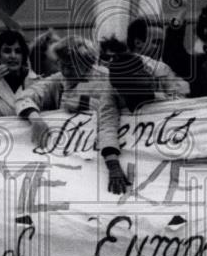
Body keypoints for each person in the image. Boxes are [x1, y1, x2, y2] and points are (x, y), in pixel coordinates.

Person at [17, 36, 130, 194]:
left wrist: (87, 103)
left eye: (71, 66)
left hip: (103, 150)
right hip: (67, 154)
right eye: (61, 64)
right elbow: (25, 97)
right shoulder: (59, 79)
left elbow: (125, 108)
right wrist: (35, 119)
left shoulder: (109, 78)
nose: (65, 70)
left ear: (87, 63)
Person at [99, 36, 189, 111]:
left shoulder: (161, 70)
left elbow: (180, 102)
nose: (110, 62)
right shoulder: (110, 83)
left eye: (114, 57)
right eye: (105, 58)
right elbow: (108, 115)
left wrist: (156, 98)